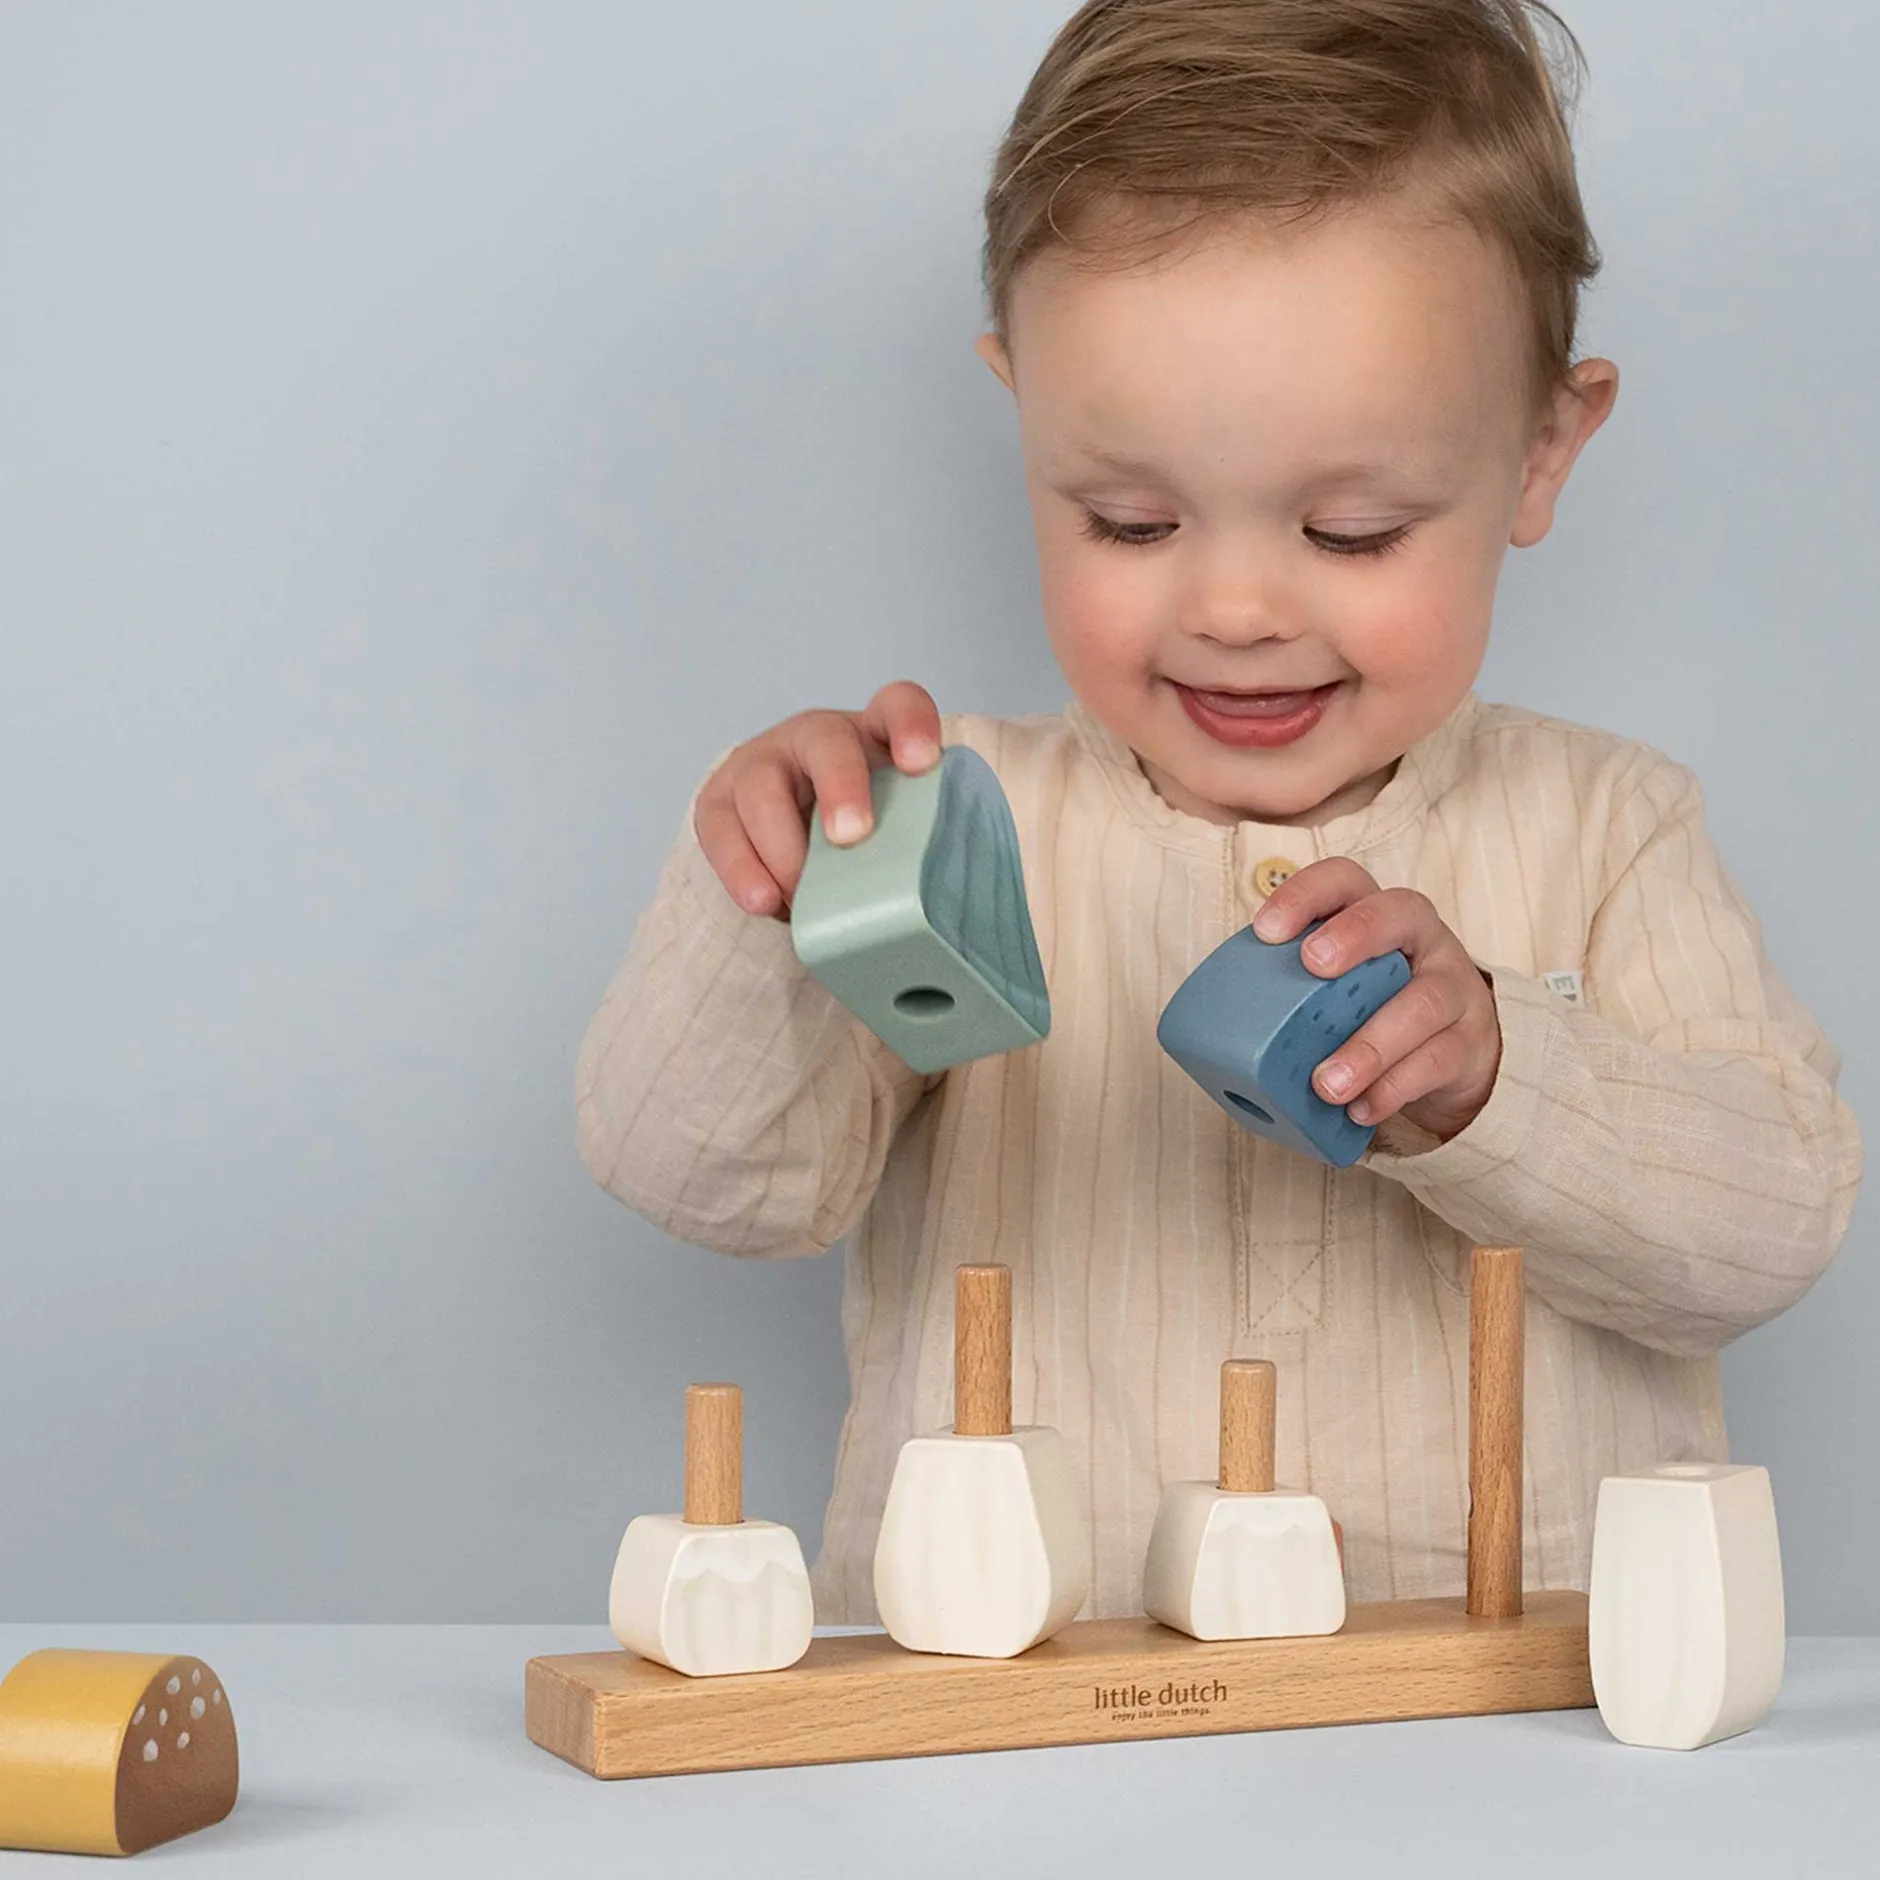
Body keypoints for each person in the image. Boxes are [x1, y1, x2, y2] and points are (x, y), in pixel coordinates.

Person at [575, 0, 1863, 1623]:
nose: (1238, 607)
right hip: (1012, 1716)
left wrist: (1501, 1083)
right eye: (1128, 518)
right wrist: (766, 907)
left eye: (1352, 528)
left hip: (1496, 1723)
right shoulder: (952, 822)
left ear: (1542, 453)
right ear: (1022, 411)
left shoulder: (1610, 823)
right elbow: (697, 1183)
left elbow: (1770, 1230)